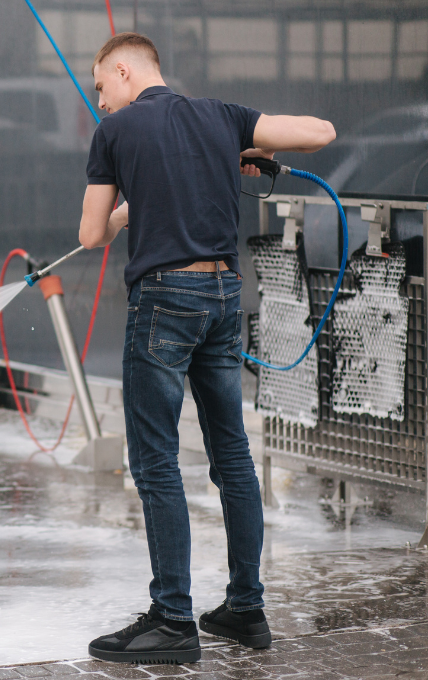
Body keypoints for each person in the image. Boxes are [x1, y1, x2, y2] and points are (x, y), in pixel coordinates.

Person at [77, 33, 336, 664]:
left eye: (101, 87)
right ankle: (246, 609)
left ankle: (172, 621)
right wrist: (240, 146)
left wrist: (129, 208)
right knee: (232, 454)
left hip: (164, 303)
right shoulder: (222, 116)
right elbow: (321, 132)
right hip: (224, 298)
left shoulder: (114, 134)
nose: (101, 101)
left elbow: (89, 235)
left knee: (157, 463)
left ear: (124, 68)